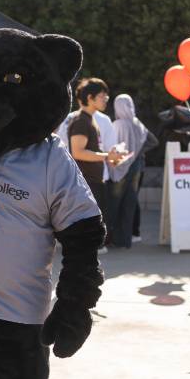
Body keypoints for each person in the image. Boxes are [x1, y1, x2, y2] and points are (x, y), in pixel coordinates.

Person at [67, 78, 123, 253]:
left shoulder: (90, 119)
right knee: (89, 217)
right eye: (102, 95)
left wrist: (109, 158)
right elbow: (77, 152)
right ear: (90, 98)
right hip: (86, 179)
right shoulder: (81, 120)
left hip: (92, 178)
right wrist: (107, 156)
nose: (106, 98)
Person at [108, 94, 157, 248]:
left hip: (120, 166)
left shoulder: (116, 125)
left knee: (115, 202)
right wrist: (138, 151)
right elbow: (154, 141)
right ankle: (125, 240)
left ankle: (111, 238)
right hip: (136, 167)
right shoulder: (138, 124)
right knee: (130, 202)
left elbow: (111, 147)